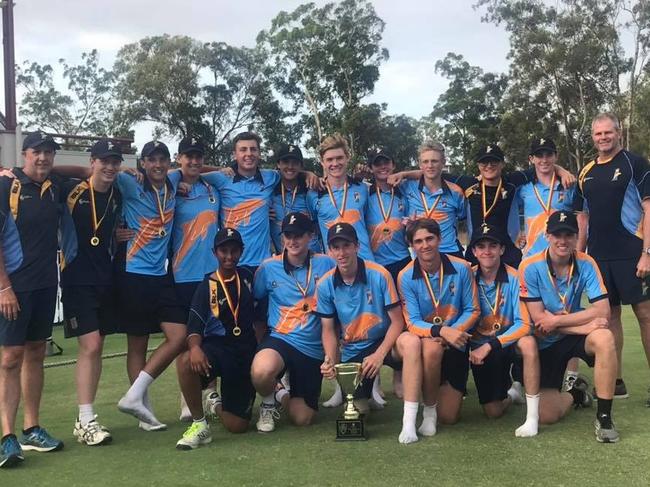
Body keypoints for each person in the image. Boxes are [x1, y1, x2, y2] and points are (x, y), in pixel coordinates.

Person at [317, 222, 423, 444]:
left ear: (357, 246)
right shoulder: (325, 283)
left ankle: (409, 424)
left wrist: (380, 354)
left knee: (411, 342)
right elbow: (328, 330)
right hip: (355, 349)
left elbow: (397, 321)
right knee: (359, 411)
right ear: (329, 251)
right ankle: (367, 394)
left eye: (346, 245)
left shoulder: (379, 274)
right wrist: (329, 359)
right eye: (336, 247)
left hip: (388, 342)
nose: (341, 252)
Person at [519, 210, 619, 442]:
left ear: (576, 237)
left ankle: (604, 417)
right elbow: (538, 321)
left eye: (568, 235)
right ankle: (575, 394)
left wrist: (557, 320)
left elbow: (603, 310)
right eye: (557, 235)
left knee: (604, 337)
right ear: (547, 235)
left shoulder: (586, 262)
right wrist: (583, 326)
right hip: (546, 341)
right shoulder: (530, 266)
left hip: (567, 333)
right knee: (547, 415)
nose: (562, 241)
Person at [574, 112, 650, 401]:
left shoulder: (635, 163)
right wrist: (580, 256)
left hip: (632, 253)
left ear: (618, 133)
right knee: (610, 316)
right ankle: (616, 382)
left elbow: (648, 209)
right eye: (598, 134)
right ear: (592, 137)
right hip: (598, 258)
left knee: (645, 315)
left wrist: (647, 253)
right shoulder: (586, 171)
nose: (603, 138)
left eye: (608, 132)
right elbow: (582, 217)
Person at [0, 132, 64, 468]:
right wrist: (3, 287)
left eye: (48, 153)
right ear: (25, 154)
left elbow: (88, 171)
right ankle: (7, 437)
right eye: (36, 152)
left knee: (36, 352)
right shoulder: (6, 185)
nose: (42, 158)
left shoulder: (53, 185)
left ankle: (32, 427)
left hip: (45, 284)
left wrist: (131, 171)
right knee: (11, 356)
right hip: (13, 286)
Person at [113, 140, 187, 430]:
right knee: (138, 344)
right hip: (133, 275)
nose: (157, 165)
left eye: (162, 159)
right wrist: (14, 170)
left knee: (178, 336)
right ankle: (144, 411)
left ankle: (133, 396)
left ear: (170, 162)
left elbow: (198, 168)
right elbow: (91, 173)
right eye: (151, 160)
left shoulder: (173, 181)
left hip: (162, 275)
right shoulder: (130, 182)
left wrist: (228, 168)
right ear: (142, 163)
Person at [59, 139, 123, 446]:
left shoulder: (117, 194)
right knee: (92, 345)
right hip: (75, 278)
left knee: (96, 347)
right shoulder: (70, 190)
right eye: (104, 161)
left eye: (115, 162)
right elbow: (45, 171)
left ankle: (86, 417)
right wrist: (10, 172)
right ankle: (85, 420)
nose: (110, 167)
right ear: (92, 162)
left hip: (104, 278)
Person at [251, 212, 336, 432]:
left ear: (311, 236)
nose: (293, 241)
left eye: (299, 235)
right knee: (261, 371)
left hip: (312, 348)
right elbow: (256, 303)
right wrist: (260, 342)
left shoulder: (326, 263)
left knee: (302, 418)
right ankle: (269, 401)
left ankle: (281, 394)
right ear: (282, 239)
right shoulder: (268, 267)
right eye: (288, 235)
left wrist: (333, 350)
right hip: (281, 338)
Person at [175, 228, 256, 449]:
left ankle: (214, 403)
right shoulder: (206, 287)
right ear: (215, 252)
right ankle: (199, 425)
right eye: (224, 251)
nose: (229, 256)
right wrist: (194, 349)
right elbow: (194, 327)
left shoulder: (249, 277)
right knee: (184, 362)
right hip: (218, 351)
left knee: (237, 426)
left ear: (241, 251)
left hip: (245, 354)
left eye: (234, 251)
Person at [397, 218, 480, 435]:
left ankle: (434, 403)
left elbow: (473, 310)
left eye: (429, 238)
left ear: (439, 239)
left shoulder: (462, 268)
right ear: (412, 246)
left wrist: (454, 332)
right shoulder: (405, 276)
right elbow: (412, 321)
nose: (425, 245)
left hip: (456, 343)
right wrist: (441, 331)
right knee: (431, 348)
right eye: (418, 241)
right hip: (428, 342)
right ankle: (427, 413)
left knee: (450, 417)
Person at [468, 225, 540, 437]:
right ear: (474, 252)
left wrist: (492, 344)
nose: (487, 251)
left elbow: (525, 324)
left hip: (509, 342)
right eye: (481, 246)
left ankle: (532, 416)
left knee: (528, 343)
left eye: (493, 245)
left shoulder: (517, 277)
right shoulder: (467, 276)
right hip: (480, 348)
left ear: (502, 249)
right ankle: (511, 394)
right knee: (493, 412)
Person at [170, 137, 222, 421]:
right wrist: (175, 178)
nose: (193, 161)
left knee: (212, 334)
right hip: (182, 276)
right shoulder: (171, 187)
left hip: (213, 275)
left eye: (198, 156)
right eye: (188, 157)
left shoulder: (214, 188)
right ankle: (187, 400)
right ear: (179, 159)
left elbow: (226, 171)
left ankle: (210, 393)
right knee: (188, 339)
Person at [307, 133, 375, 261]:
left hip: (365, 260)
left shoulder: (362, 188)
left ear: (347, 157)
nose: (335, 163)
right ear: (322, 162)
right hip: (335, 265)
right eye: (329, 160)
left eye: (339, 158)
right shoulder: (314, 194)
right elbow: (314, 231)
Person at [398, 142, 466, 258]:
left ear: (443, 163)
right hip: (421, 253)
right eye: (425, 161)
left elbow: (463, 218)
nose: (430, 165)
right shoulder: (407, 187)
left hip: (450, 252)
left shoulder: (456, 192)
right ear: (420, 165)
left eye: (434, 161)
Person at [515, 137, 575, 259]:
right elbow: (507, 212)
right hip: (532, 259)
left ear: (555, 157)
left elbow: (582, 218)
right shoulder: (523, 189)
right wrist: (515, 234)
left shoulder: (569, 185)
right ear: (531, 159)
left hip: (564, 259)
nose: (544, 160)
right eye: (539, 156)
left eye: (548, 155)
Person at [365, 148, 411, 282]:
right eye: (377, 164)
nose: (383, 167)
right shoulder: (364, 193)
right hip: (376, 263)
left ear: (393, 165)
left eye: (386, 162)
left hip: (402, 259)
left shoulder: (403, 193)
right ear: (371, 168)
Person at [270, 144, 321, 254]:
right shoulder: (270, 190)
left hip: (313, 257)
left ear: (301, 166)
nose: (290, 166)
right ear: (278, 164)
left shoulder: (309, 190)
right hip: (283, 259)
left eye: (295, 163)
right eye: (286, 162)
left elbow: (321, 220)